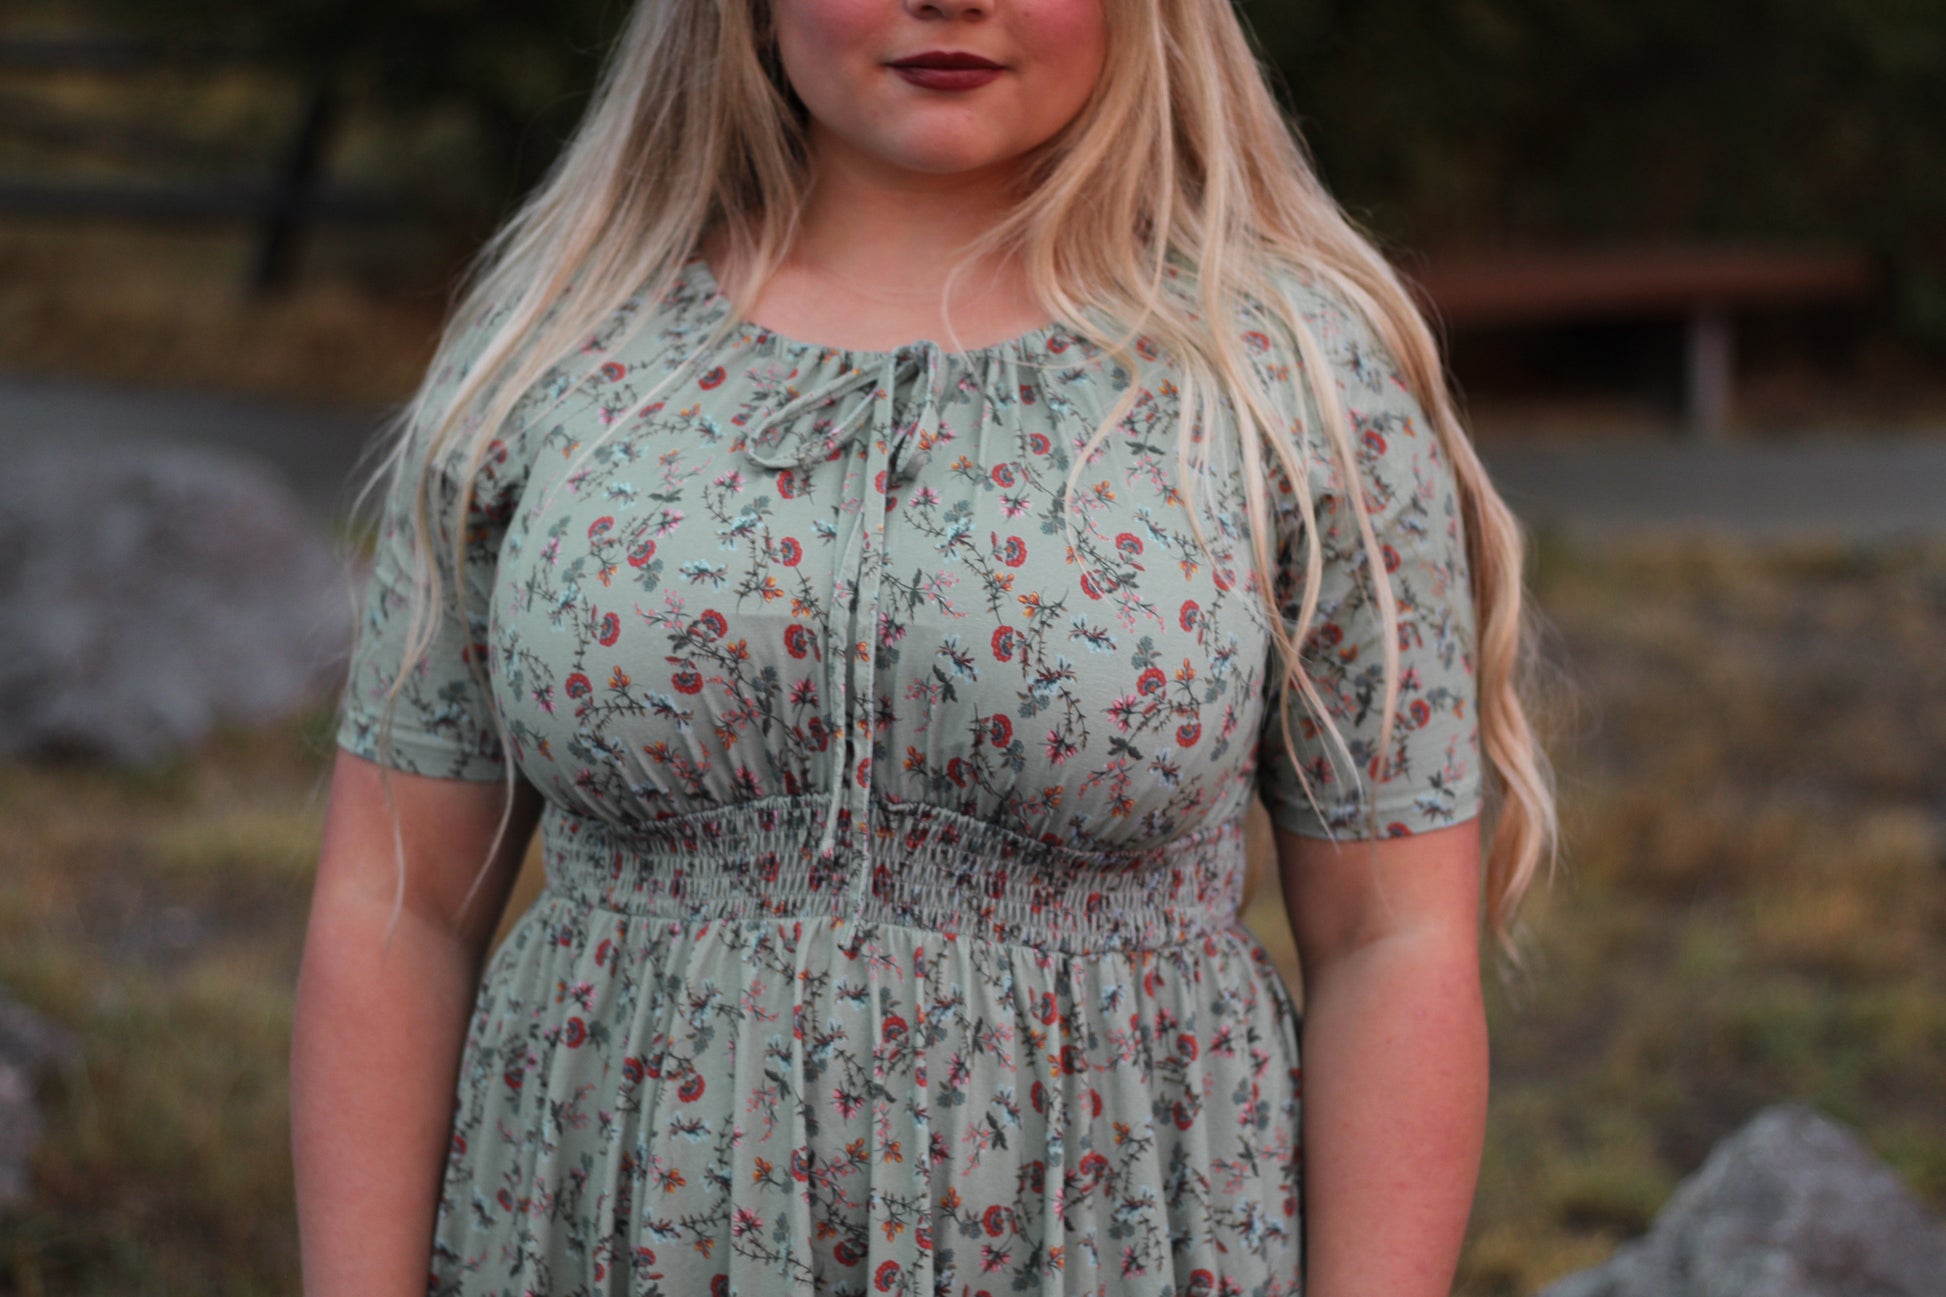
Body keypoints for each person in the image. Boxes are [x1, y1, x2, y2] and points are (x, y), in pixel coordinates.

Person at [290, 0, 1561, 1294]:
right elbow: (392, 904)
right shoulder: (557, 345)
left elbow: (1386, 940)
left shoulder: (1287, 382)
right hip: (606, 1233)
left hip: (1103, 1239)